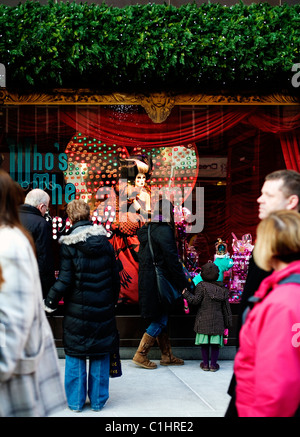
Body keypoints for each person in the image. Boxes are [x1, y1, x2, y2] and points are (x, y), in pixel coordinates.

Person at [225, 168, 300, 416]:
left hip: (272, 381)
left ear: (291, 201)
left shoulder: (285, 295)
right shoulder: (269, 240)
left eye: (267, 194)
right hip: (253, 373)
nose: (259, 199)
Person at [0, 169, 66, 417]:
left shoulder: (9, 239)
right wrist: (48, 284)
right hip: (20, 382)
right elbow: (46, 259)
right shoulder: (29, 230)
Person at [44, 199, 120, 412]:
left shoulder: (69, 244)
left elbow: (65, 280)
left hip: (77, 309)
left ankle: (76, 403)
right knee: (100, 352)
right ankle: (97, 402)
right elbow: (115, 277)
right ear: (88, 216)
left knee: (76, 353)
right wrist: (111, 300)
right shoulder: (105, 242)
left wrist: (49, 301)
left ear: (70, 218)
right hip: (103, 308)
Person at [132, 198, 192, 369]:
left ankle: (166, 355)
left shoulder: (147, 229)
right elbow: (172, 261)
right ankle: (141, 354)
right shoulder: (164, 230)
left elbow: (142, 257)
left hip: (148, 278)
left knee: (161, 314)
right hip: (160, 280)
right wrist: (183, 284)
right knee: (160, 317)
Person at [110, 154, 152, 305]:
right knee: (129, 277)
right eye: (138, 177)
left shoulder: (145, 194)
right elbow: (121, 222)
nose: (141, 181)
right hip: (125, 244)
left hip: (141, 241)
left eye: (143, 177)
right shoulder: (124, 193)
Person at [183, 262, 232, 372]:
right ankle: (213, 365)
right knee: (215, 345)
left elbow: (195, 301)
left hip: (203, 320)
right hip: (218, 322)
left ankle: (205, 364)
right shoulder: (222, 289)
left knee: (204, 344)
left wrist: (186, 294)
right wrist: (228, 324)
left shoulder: (201, 286)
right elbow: (226, 309)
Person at [19, 188, 55, 298]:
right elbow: (44, 258)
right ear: (41, 206)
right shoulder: (42, 224)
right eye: (46, 208)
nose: (46, 212)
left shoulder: (9, 218)